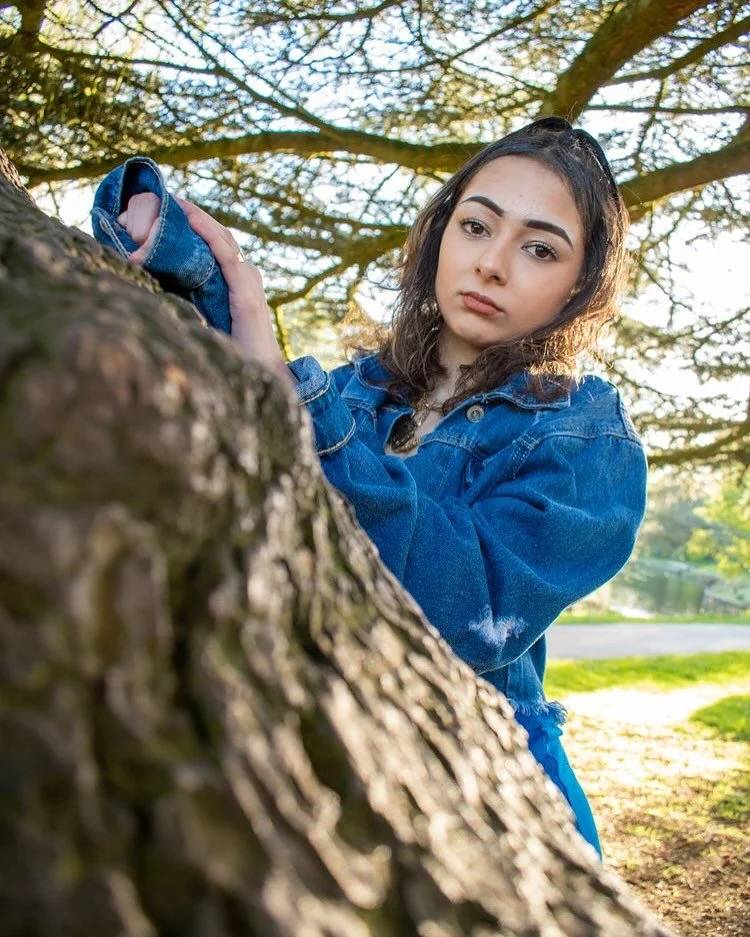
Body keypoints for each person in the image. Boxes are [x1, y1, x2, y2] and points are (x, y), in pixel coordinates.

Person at [111, 117, 648, 859]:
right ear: (440, 237)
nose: (492, 263)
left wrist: (297, 407)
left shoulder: (588, 438)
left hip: (482, 778)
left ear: (581, 283)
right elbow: (242, 400)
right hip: (309, 734)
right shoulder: (356, 391)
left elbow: (462, 612)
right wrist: (188, 255)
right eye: (476, 226)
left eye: (539, 247)